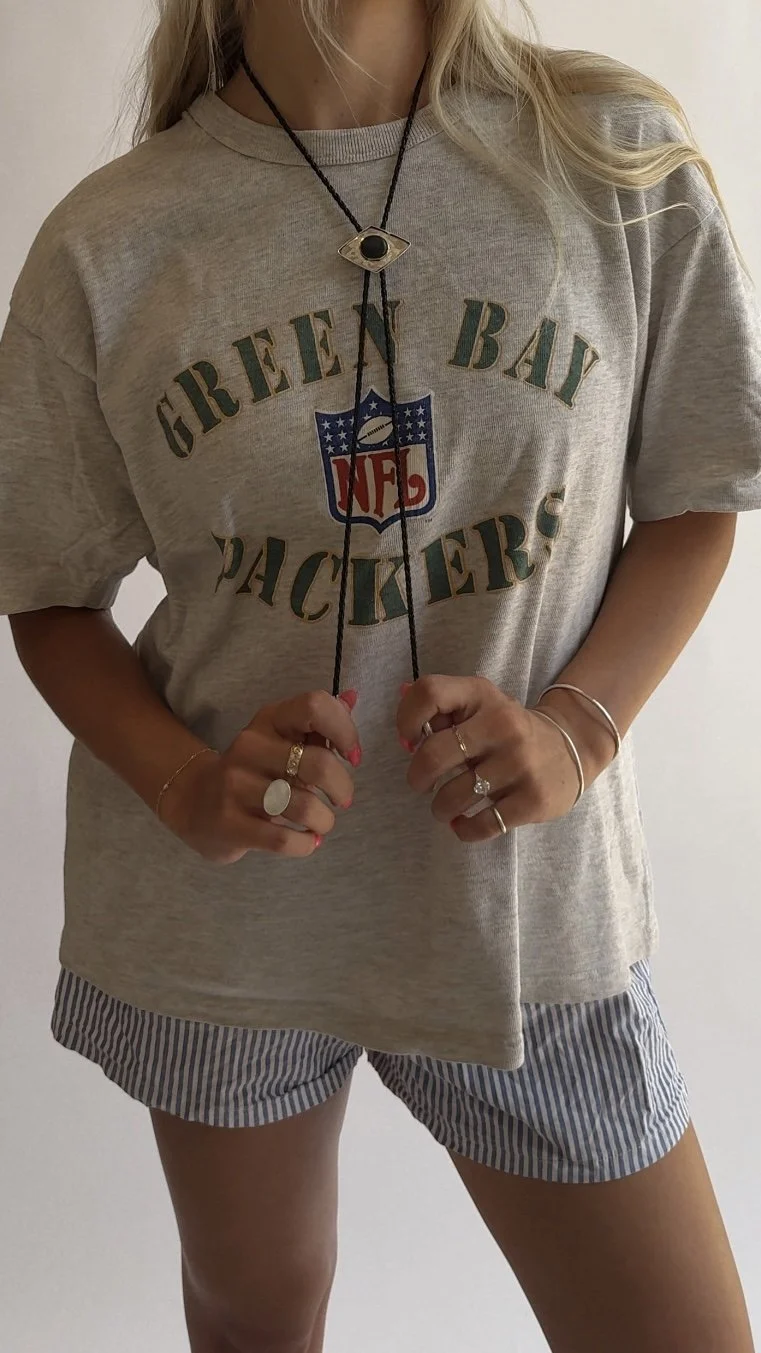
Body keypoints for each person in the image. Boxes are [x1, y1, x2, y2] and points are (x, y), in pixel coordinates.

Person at [1, 0, 759, 1349]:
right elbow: (47, 589)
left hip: (528, 915)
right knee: (256, 1316)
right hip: (225, 924)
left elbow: (699, 490)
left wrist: (579, 728)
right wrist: (184, 785)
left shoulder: (611, 160)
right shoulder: (111, 242)